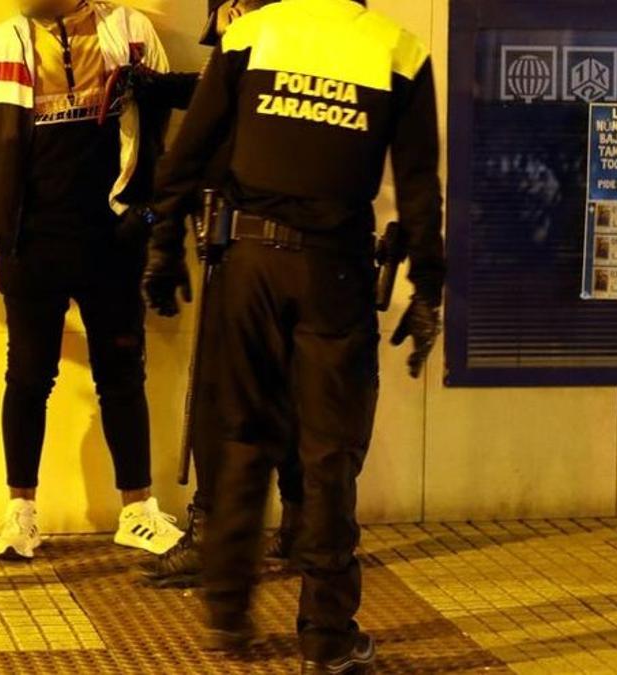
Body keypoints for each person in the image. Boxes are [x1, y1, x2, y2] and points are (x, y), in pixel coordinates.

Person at [133, 0, 445, 671]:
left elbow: (191, 151)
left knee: (240, 432)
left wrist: (162, 246)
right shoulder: (398, 51)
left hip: (247, 266)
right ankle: (327, 636)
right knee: (329, 451)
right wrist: (428, 289)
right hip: (334, 271)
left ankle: (227, 610)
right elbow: (420, 186)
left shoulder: (252, 34)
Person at [0, 0, 186, 560]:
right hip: (30, 241)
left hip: (113, 236)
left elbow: (161, 120)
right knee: (29, 377)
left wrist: (143, 210)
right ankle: (21, 513)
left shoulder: (130, 32)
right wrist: (11, 191)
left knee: (122, 375)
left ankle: (138, 511)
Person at [138, 0, 308, 591]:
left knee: (225, 400)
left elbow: (205, 139)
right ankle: (302, 529)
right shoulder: (301, 55)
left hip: (242, 249)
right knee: (289, 394)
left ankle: (218, 534)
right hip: (294, 253)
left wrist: (165, 237)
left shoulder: (251, 52)